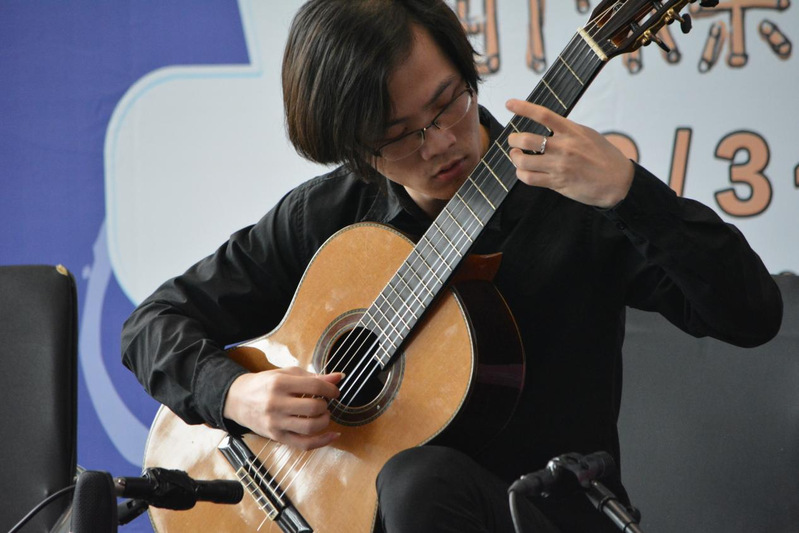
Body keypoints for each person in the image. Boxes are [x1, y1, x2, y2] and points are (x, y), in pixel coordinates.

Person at [121, 1, 783, 531]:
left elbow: (751, 314)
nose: (440, 143)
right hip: (344, 513)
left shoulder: (575, 199)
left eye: (448, 103)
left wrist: (628, 191)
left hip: (546, 516)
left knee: (419, 479)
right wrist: (235, 395)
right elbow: (153, 324)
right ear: (353, 150)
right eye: (397, 136)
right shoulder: (328, 216)